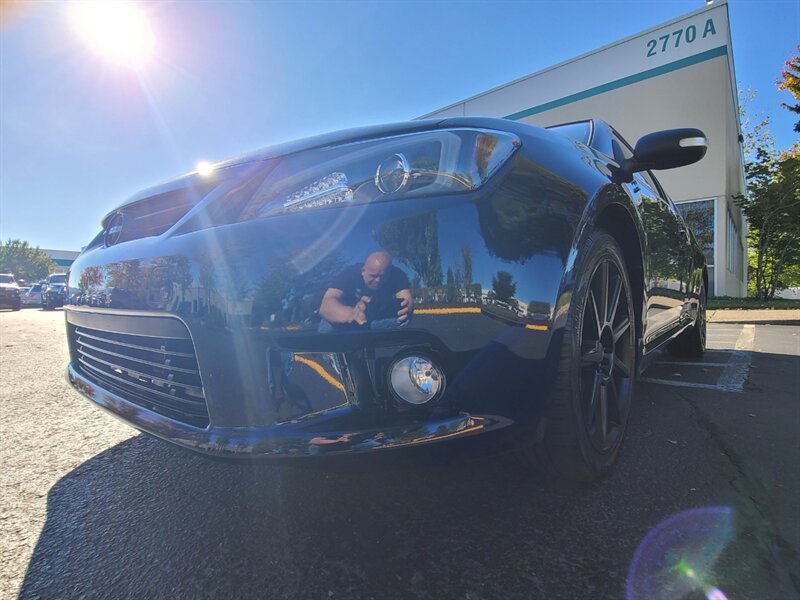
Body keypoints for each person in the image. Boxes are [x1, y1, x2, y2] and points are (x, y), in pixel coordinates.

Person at [318, 251, 413, 331]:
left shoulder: (398, 275)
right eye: (373, 276)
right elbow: (326, 305)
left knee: (403, 321)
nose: (378, 280)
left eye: (383, 276)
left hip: (377, 319)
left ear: (390, 272)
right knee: (326, 326)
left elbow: (407, 299)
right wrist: (352, 314)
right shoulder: (350, 274)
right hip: (345, 319)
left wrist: (405, 310)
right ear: (363, 271)